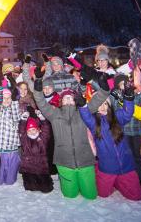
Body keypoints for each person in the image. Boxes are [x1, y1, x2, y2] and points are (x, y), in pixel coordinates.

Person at [33, 70, 97, 200]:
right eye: (65, 98)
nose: (68, 99)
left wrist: (105, 90)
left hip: (85, 160)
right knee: (70, 196)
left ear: (75, 100)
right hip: (64, 161)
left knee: (91, 196)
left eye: (71, 98)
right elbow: (41, 103)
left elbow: (98, 101)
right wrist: (38, 90)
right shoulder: (54, 114)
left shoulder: (83, 112)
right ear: (61, 101)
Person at [79, 88, 141, 201]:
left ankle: (119, 182)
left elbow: (128, 113)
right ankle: (98, 170)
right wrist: (82, 106)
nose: (103, 107)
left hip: (126, 165)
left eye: (105, 103)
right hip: (107, 167)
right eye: (99, 104)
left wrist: (129, 99)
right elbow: (86, 116)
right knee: (103, 194)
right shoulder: (94, 123)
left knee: (137, 196)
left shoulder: (118, 117)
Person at [18, 115, 53, 193]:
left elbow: (46, 129)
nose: (32, 132)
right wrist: (23, 120)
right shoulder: (25, 139)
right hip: (28, 170)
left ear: (38, 130)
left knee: (47, 188)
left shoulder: (43, 138)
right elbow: (21, 130)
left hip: (42, 169)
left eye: (33, 129)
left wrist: (43, 119)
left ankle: (45, 181)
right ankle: (30, 181)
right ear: (26, 132)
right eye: (29, 130)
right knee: (31, 187)